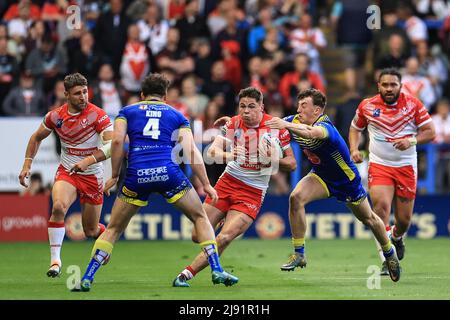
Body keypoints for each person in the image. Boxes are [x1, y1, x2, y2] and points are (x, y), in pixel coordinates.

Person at [74, 73, 238, 292]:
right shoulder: (177, 114)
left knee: (113, 228)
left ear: (142, 94)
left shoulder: (127, 112)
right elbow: (190, 150)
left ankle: (87, 277)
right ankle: (216, 268)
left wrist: (114, 174)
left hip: (136, 175)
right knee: (200, 217)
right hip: (168, 173)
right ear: (166, 95)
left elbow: (116, 141)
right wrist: (206, 184)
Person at [265, 88, 402, 282]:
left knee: (369, 219)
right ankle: (299, 254)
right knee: (295, 198)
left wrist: (284, 125)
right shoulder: (293, 121)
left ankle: (390, 254)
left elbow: (312, 133)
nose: (299, 109)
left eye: (304, 105)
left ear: (317, 110)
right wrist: (233, 122)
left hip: (346, 181)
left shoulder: (326, 126)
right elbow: (264, 122)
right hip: (321, 177)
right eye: (298, 105)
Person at [172, 87, 297, 288]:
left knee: (225, 237)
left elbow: (292, 164)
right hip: (227, 183)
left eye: (251, 107)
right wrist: (230, 155)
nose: (246, 111)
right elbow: (212, 152)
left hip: (252, 191)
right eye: (242, 106)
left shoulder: (276, 129)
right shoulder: (233, 123)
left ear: (261, 107)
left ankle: (185, 275)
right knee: (197, 236)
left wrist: (272, 159)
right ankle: (221, 228)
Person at [18, 73, 113, 278]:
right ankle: (55, 262)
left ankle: (106, 234)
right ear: (66, 94)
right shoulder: (55, 116)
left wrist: (87, 161)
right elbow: (36, 137)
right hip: (68, 172)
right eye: (78, 93)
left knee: (90, 231)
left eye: (85, 92)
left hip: (92, 176)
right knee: (59, 207)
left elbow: (111, 145)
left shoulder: (98, 115)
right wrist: (27, 164)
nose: (83, 97)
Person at [349, 68, 436, 275]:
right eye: (385, 85)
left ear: (400, 85)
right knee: (380, 209)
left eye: (393, 85)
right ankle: (388, 260)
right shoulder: (367, 106)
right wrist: (354, 148)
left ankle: (397, 238)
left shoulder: (413, 104)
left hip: (406, 166)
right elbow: (355, 128)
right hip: (379, 164)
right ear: (378, 86)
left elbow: (431, 132)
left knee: (404, 221)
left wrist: (411, 140)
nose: (389, 88)